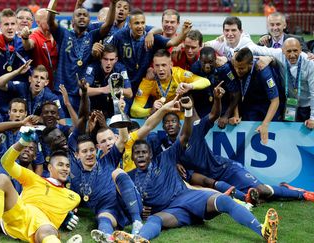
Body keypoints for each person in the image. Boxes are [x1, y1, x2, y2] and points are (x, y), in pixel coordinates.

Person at [115, 96, 280, 243]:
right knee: (154, 220)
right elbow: (125, 200)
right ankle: (140, 239)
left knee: (223, 200)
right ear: (133, 157)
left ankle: (263, 230)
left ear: (151, 153)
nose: (141, 156)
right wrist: (139, 209)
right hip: (171, 212)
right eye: (137, 153)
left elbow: (184, 136)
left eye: (144, 152)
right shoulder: (129, 177)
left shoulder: (166, 157)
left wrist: (187, 112)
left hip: (189, 197)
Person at [177, 78, 314, 205]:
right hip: (213, 183)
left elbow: (213, 115)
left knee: (261, 190)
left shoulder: (194, 128)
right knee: (255, 198)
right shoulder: (167, 144)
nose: (170, 125)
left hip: (226, 170)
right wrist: (175, 163)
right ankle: (281, 189)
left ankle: (301, 194)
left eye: (187, 99)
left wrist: (217, 99)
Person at [0, 131, 81, 243]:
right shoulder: (34, 179)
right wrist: (22, 142)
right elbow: (6, 163)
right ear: (50, 168)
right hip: (19, 214)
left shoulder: (74, 197)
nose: (65, 168)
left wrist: (66, 217)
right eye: (60, 165)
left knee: (47, 230)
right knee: (0, 178)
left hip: (43, 226)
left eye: (67, 166)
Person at [47, 0, 116, 113]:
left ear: (89, 21)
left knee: (80, 127)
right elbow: (50, 21)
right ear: (72, 20)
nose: (82, 17)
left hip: (82, 94)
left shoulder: (92, 36)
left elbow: (108, 24)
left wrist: (113, 3)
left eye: (85, 15)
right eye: (78, 15)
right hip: (61, 92)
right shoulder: (63, 34)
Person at [106, 9, 192, 94]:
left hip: (163, 85)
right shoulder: (120, 35)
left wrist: (183, 35)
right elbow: (106, 50)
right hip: (134, 82)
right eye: (137, 23)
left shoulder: (154, 36)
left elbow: (173, 42)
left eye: (142, 23)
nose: (140, 26)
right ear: (129, 24)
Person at [252, 38, 314, 128]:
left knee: (308, 132)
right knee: (288, 130)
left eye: (295, 50)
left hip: (307, 106)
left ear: (300, 49)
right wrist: (236, 52)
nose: (292, 55)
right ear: (283, 50)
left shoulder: (309, 63)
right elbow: (255, 49)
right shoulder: (278, 54)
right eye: (288, 51)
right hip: (291, 103)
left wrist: (313, 118)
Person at [130, 49, 210, 118]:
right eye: (157, 66)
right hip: (159, 119)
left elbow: (206, 81)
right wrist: (151, 110)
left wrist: (189, 86)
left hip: (179, 119)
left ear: (171, 65)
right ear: (153, 66)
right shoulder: (149, 81)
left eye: (164, 65)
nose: (160, 69)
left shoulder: (179, 74)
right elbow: (134, 110)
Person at [231, 48, 281, 144]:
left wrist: (265, 124)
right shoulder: (237, 64)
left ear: (250, 64)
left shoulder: (264, 71)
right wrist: (236, 114)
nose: (237, 71)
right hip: (250, 105)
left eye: (241, 68)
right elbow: (234, 92)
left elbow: (275, 100)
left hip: (267, 106)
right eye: (235, 67)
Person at [0, 62, 66, 118]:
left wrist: (41, 119)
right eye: (35, 77)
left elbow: (62, 122)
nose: (38, 80)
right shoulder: (22, 87)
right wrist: (17, 72)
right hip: (19, 125)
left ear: (46, 82)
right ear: (30, 79)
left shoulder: (51, 98)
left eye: (42, 78)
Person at [189, 46, 240, 123]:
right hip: (203, 108)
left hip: (222, 107)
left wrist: (226, 116)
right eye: (204, 62)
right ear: (200, 60)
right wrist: (194, 115)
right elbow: (189, 93)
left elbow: (235, 93)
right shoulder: (194, 68)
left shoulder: (225, 69)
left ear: (215, 59)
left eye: (210, 62)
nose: (207, 66)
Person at [85, 44, 133, 118]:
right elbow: (82, 91)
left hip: (113, 110)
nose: (108, 63)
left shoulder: (120, 68)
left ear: (116, 59)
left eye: (111, 59)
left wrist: (114, 89)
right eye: (105, 59)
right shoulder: (92, 68)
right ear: (100, 58)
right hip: (95, 110)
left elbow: (129, 93)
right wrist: (103, 89)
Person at [20, 8, 58, 89]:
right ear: (38, 22)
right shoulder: (35, 35)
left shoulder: (57, 34)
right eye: (48, 19)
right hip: (41, 85)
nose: (52, 21)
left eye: (53, 18)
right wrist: (25, 38)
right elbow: (28, 45)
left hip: (57, 83)